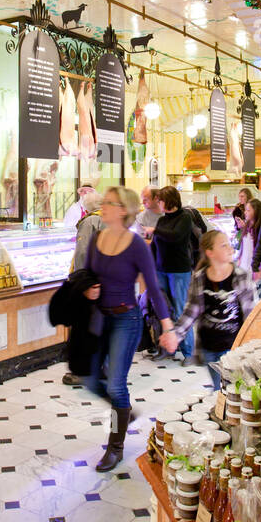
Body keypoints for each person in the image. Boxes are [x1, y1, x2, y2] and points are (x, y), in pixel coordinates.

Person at [83, 186, 173, 471]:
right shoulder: (97, 238)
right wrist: (87, 289)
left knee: (115, 385)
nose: (103, 206)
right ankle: (124, 412)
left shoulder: (136, 245)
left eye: (109, 203)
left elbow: (154, 288)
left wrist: (168, 327)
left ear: (123, 210)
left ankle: (115, 446)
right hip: (100, 318)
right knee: (90, 380)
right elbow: (87, 275)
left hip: (126, 320)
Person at [160, 230, 254, 389]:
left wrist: (250, 346)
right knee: (219, 391)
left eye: (229, 245)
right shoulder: (200, 277)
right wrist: (175, 335)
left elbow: (250, 315)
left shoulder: (240, 276)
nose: (230, 249)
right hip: (209, 347)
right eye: (223, 246)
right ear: (210, 252)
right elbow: (191, 311)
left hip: (233, 346)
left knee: (234, 392)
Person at [150, 185, 198, 361]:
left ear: (168, 200)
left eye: (160, 200)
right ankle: (168, 349)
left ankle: (188, 352)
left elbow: (175, 236)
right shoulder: (162, 220)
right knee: (163, 311)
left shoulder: (184, 217)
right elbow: (156, 245)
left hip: (179, 271)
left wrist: (154, 230)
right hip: (161, 270)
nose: (159, 204)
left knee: (180, 311)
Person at [61, 191, 104, 387]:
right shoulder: (108, 219)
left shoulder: (89, 222)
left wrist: (79, 281)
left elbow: (82, 253)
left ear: (85, 208)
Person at [235, 197, 261, 278]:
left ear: (256, 212)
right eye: (246, 210)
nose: (245, 212)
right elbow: (244, 246)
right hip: (244, 267)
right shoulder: (247, 226)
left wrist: (259, 269)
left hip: (256, 271)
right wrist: (239, 258)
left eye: (248, 210)